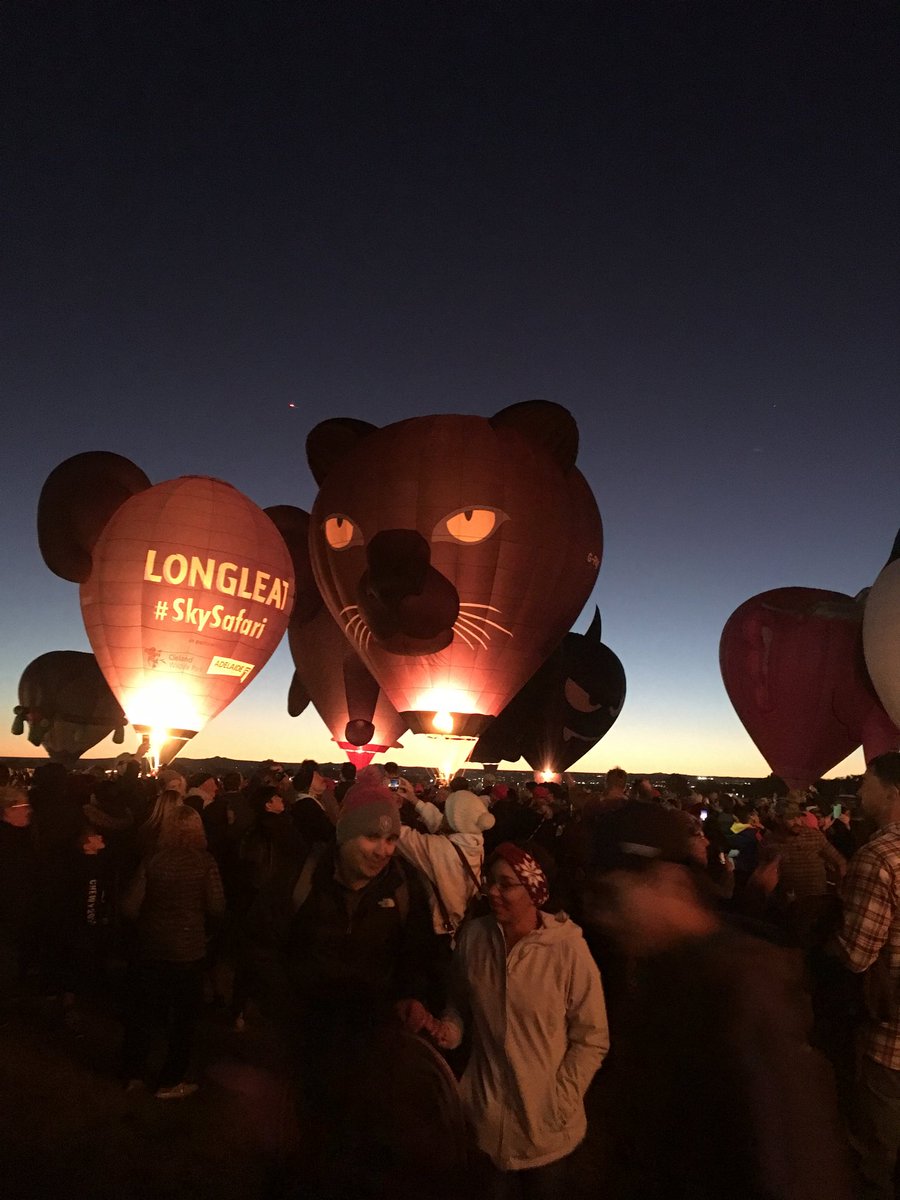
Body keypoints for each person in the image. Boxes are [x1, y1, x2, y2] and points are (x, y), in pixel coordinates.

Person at [587, 802, 853, 1200]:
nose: (602, 915)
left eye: (611, 894)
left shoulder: (743, 985)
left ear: (667, 879)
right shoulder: (659, 973)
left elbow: (793, 1160)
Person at [430, 842, 609, 1194]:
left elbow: (591, 1037)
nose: (492, 892)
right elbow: (460, 1005)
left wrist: (559, 1101)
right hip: (483, 1125)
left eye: (506, 884)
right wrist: (450, 1029)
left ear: (534, 890)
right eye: (491, 881)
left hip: (546, 1136)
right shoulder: (475, 938)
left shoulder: (568, 950)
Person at [121, 806, 225, 1099]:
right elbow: (217, 906)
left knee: (143, 1013)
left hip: (151, 946)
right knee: (183, 1020)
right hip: (188, 951)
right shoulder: (205, 862)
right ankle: (170, 1079)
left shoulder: (153, 859)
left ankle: (133, 1073)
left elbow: (129, 905)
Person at [833, 753, 900, 1199]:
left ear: (892, 792)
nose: (858, 791)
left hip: (890, 1039)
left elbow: (856, 957)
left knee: (878, 1157)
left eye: (866, 781)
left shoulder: (878, 856)